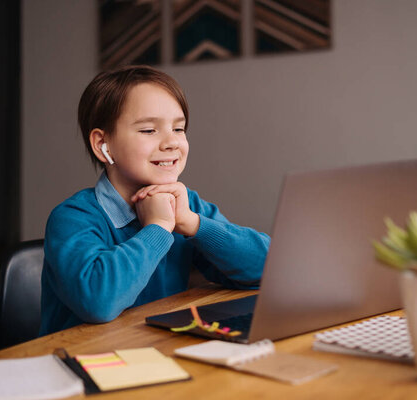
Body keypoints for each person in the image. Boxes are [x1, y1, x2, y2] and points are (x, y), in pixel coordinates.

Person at [39, 65, 270, 335]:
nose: (171, 142)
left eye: (179, 128)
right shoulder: (73, 217)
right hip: (84, 361)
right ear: (103, 145)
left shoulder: (185, 206)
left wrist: (193, 223)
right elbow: (98, 302)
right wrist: (158, 227)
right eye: (149, 130)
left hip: (155, 349)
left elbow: (269, 270)